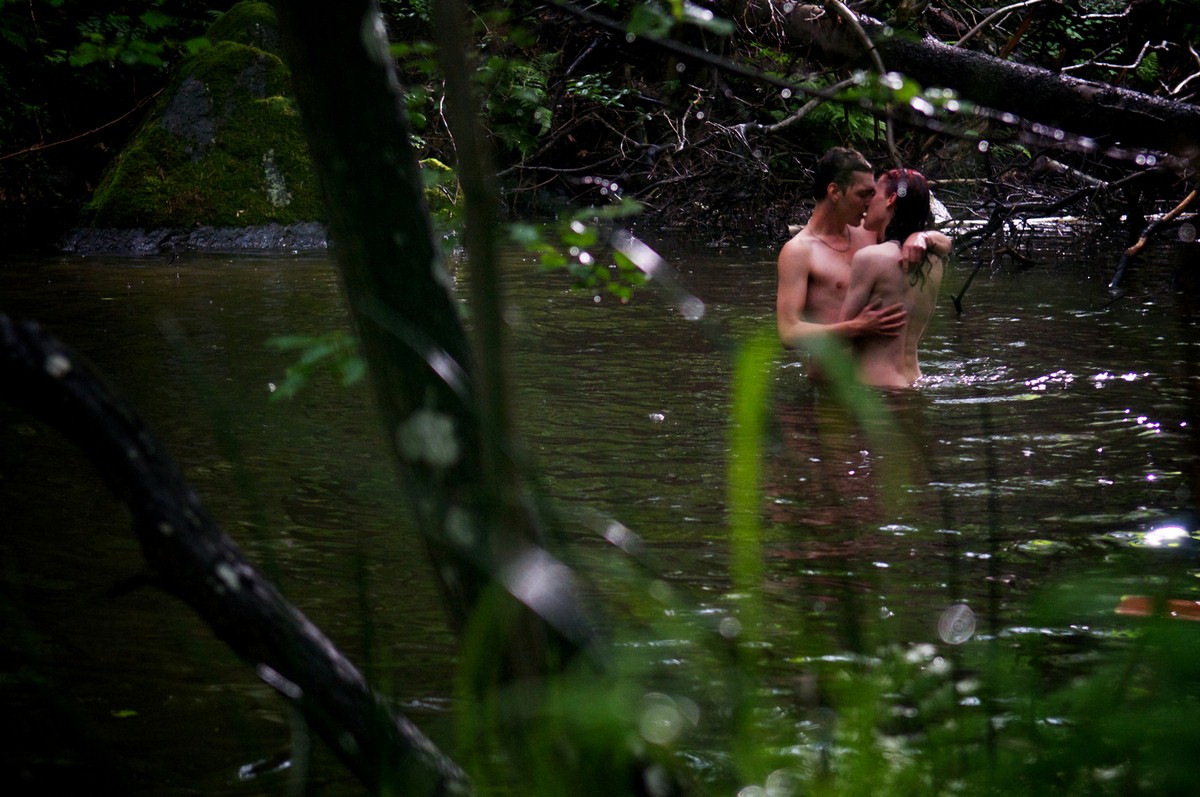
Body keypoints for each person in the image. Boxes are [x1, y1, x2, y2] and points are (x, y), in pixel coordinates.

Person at [775, 148, 947, 361]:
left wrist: (921, 237)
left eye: (873, 193)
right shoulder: (799, 251)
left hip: (874, 379)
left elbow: (946, 244)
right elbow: (788, 333)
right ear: (835, 192)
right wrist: (856, 327)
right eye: (863, 194)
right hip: (828, 383)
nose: (870, 201)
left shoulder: (869, 233)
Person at [838, 168, 944, 388]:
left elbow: (840, 339)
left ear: (890, 199)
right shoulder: (935, 261)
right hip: (915, 383)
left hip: (876, 388)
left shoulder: (870, 258)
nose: (867, 202)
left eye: (874, 194)